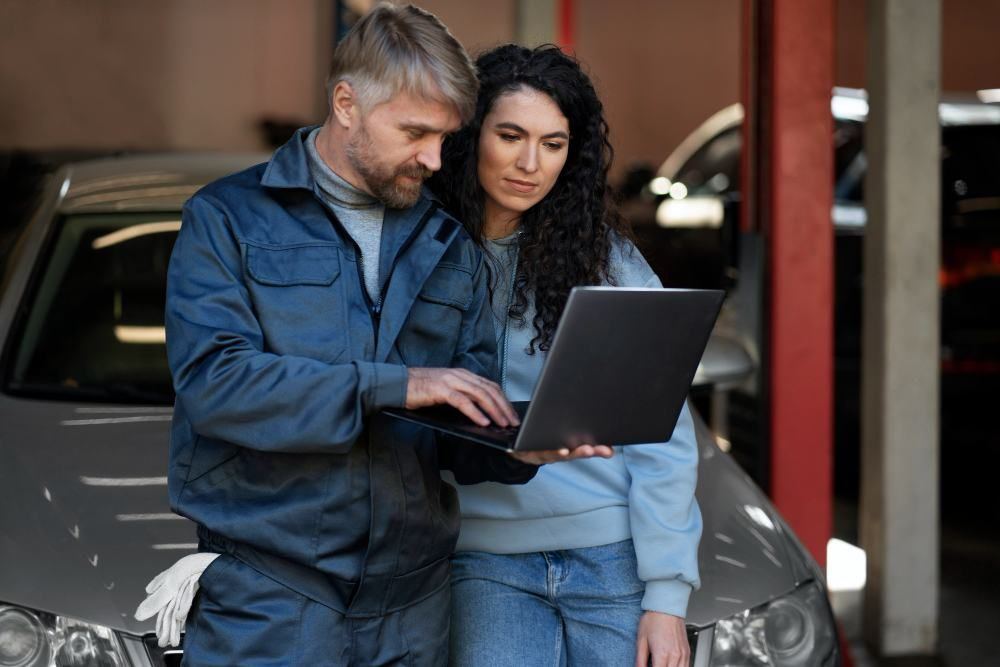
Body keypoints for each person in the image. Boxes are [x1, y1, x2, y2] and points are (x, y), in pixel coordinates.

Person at [146, 9, 610, 666]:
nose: (434, 157)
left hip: (413, 610)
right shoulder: (226, 219)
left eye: (445, 137)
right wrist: (400, 383)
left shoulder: (449, 241)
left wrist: (519, 446)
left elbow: (456, 428)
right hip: (273, 599)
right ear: (346, 104)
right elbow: (218, 386)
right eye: (415, 131)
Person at [431, 44, 702, 667]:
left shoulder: (607, 262)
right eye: (510, 135)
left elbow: (664, 433)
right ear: (470, 136)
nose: (530, 162)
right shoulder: (420, 256)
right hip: (483, 562)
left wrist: (666, 595)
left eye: (553, 144)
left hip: (613, 561)